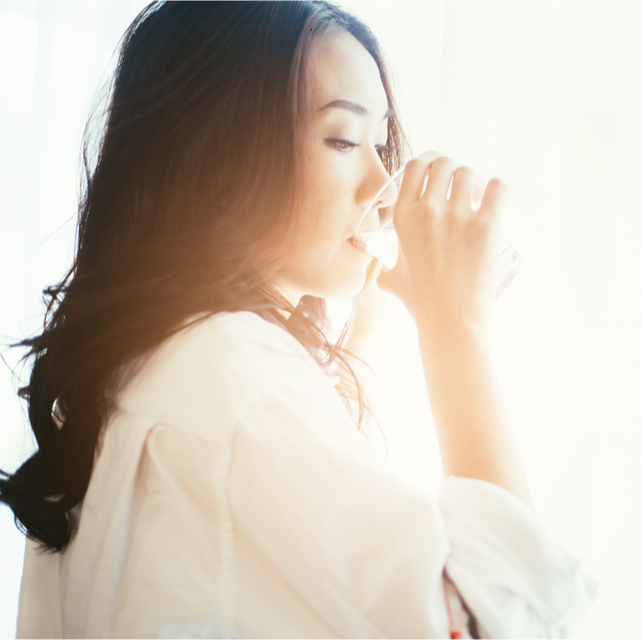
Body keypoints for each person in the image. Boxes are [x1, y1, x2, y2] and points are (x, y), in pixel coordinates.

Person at [1, 2, 595, 637]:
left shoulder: (142, 365)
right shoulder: (235, 375)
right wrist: (458, 329)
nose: (384, 185)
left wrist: (382, 321)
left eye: (381, 142)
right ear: (220, 155)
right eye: (343, 139)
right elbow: (492, 623)